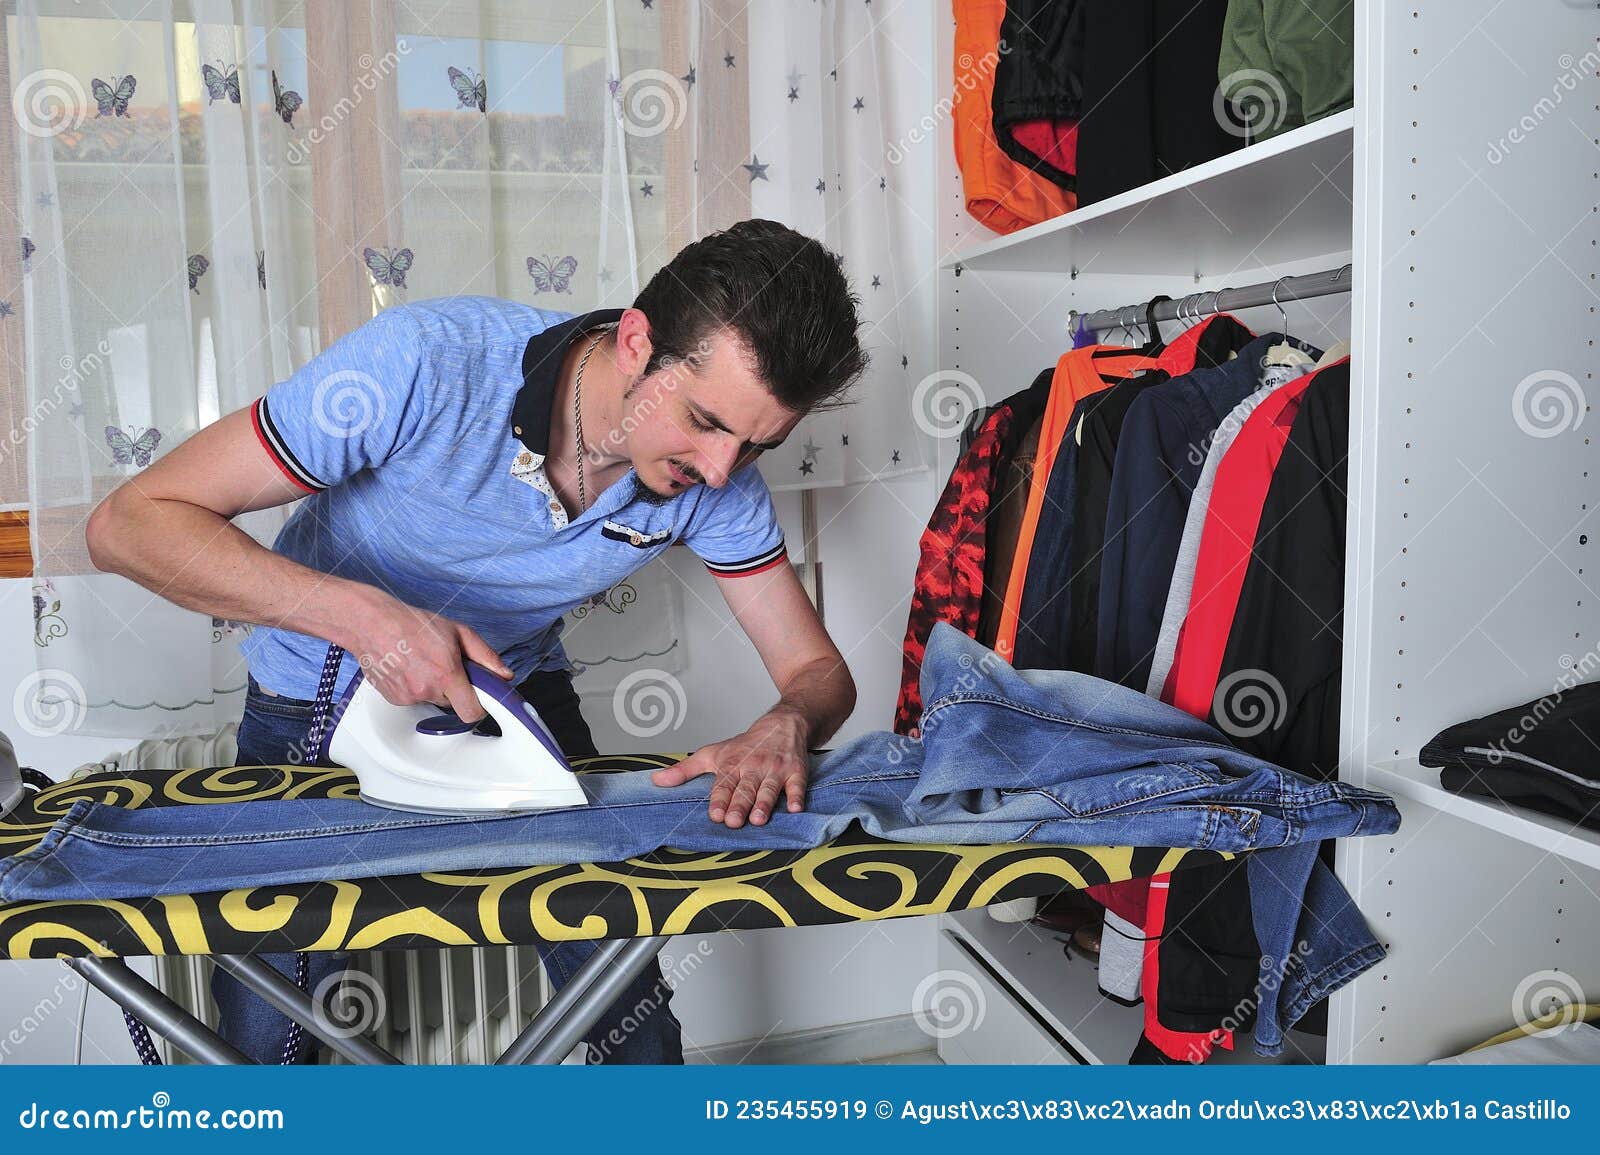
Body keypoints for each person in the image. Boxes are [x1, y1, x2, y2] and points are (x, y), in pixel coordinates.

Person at [85, 218, 866, 1064]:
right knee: (268, 1037)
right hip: (307, 707)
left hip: (513, 702)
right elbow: (129, 525)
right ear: (637, 343)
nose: (721, 468)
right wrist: (369, 620)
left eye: (756, 443)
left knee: (626, 1008)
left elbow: (816, 668)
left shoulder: (717, 480)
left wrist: (787, 721)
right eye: (706, 421)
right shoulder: (425, 363)